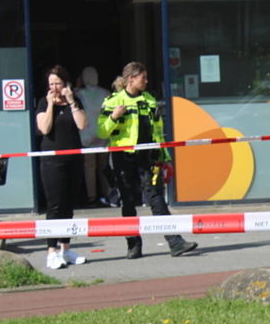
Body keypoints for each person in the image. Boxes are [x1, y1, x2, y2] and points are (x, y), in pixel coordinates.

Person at [97, 61, 197, 259]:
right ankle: (133, 246)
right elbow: (101, 131)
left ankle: (175, 242)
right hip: (123, 158)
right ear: (131, 78)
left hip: (148, 157)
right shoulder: (113, 101)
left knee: (156, 198)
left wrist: (164, 158)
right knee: (128, 201)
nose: (147, 81)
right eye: (143, 77)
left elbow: (158, 133)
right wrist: (114, 117)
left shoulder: (150, 100)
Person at [35, 65, 87, 269]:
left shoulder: (74, 100)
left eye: (57, 83)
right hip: (52, 161)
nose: (55, 87)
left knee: (68, 206)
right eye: (51, 84)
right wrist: (50, 105)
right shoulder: (42, 102)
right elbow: (44, 128)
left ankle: (66, 249)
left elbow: (82, 125)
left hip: (73, 159)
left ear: (66, 83)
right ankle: (51, 252)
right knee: (54, 206)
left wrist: (72, 102)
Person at [75, 66, 117, 207]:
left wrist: (78, 84)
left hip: (86, 134)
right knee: (103, 166)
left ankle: (91, 196)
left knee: (89, 168)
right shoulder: (105, 93)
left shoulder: (79, 93)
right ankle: (106, 193)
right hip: (102, 133)